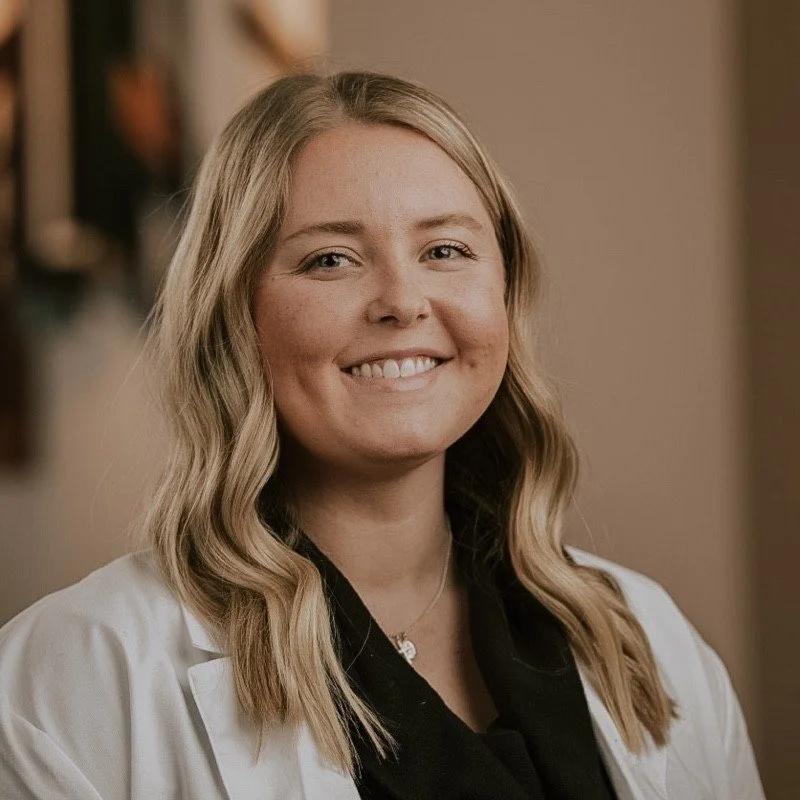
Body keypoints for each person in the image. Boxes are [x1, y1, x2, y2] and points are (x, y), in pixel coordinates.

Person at [0, 70, 764, 800]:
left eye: (445, 251)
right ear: (237, 315)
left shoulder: (645, 635)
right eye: (331, 259)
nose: (403, 300)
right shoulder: (68, 677)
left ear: (504, 292)